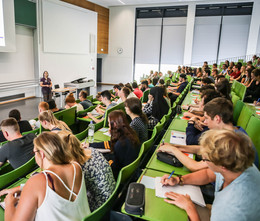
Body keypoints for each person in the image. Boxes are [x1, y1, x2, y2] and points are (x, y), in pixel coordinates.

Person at [161, 130, 260, 221]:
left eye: (205, 160)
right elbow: (208, 174)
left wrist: (190, 207)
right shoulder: (237, 164)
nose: (204, 162)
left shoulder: (233, 207)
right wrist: (179, 179)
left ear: (222, 166)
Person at [0, 132, 91, 221]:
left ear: (42, 154)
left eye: (34, 152)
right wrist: (22, 188)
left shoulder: (38, 180)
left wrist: (9, 204)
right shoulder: (76, 166)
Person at [158, 97, 259, 172]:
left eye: (206, 118)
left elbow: (195, 166)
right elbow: (200, 148)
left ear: (217, 119)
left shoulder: (229, 142)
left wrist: (173, 150)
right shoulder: (234, 131)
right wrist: (175, 146)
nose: (204, 122)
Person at [57, 131, 115, 212]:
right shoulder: (92, 150)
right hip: (111, 197)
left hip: (98, 207)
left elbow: (71, 195)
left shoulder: (78, 166)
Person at [89, 110, 140, 178]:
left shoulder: (120, 144)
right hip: (128, 170)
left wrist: (101, 160)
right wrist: (90, 145)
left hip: (116, 173)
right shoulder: (129, 133)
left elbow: (113, 167)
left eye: (109, 123)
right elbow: (110, 144)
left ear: (115, 124)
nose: (108, 125)